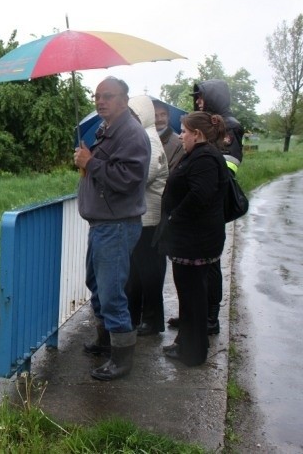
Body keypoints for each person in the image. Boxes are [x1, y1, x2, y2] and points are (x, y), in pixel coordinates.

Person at [73, 77, 150, 381]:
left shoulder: (131, 133)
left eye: (108, 96)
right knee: (96, 283)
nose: (100, 101)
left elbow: (128, 179)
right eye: (97, 96)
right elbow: (104, 168)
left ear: (124, 99)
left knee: (111, 292)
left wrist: (91, 163)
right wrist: (87, 161)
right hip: (102, 224)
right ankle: (105, 340)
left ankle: (121, 359)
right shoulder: (107, 130)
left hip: (116, 225)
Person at [167, 79, 244, 334]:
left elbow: (231, 162)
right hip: (204, 204)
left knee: (209, 267)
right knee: (194, 271)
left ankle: (210, 316)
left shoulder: (229, 126)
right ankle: (190, 314)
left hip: (213, 205)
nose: (198, 101)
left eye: (201, 97)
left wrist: (203, 166)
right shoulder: (205, 123)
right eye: (197, 98)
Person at [158, 111, 228, 366]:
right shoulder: (200, 155)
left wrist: (174, 217)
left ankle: (194, 352)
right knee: (188, 295)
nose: (181, 135)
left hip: (195, 242)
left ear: (197, 134)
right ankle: (185, 343)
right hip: (191, 241)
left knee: (193, 296)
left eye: (184, 131)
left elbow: (200, 195)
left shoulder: (205, 158)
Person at [126, 95, 169, 337]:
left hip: (148, 219)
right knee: (139, 272)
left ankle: (151, 321)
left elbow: (141, 177)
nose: (130, 118)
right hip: (143, 217)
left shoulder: (149, 139)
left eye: (133, 114)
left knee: (148, 273)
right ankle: (141, 317)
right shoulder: (147, 137)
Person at [152, 98, 184, 171]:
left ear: (168, 116)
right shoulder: (142, 138)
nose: (159, 119)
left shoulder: (178, 142)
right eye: (155, 115)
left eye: (163, 114)